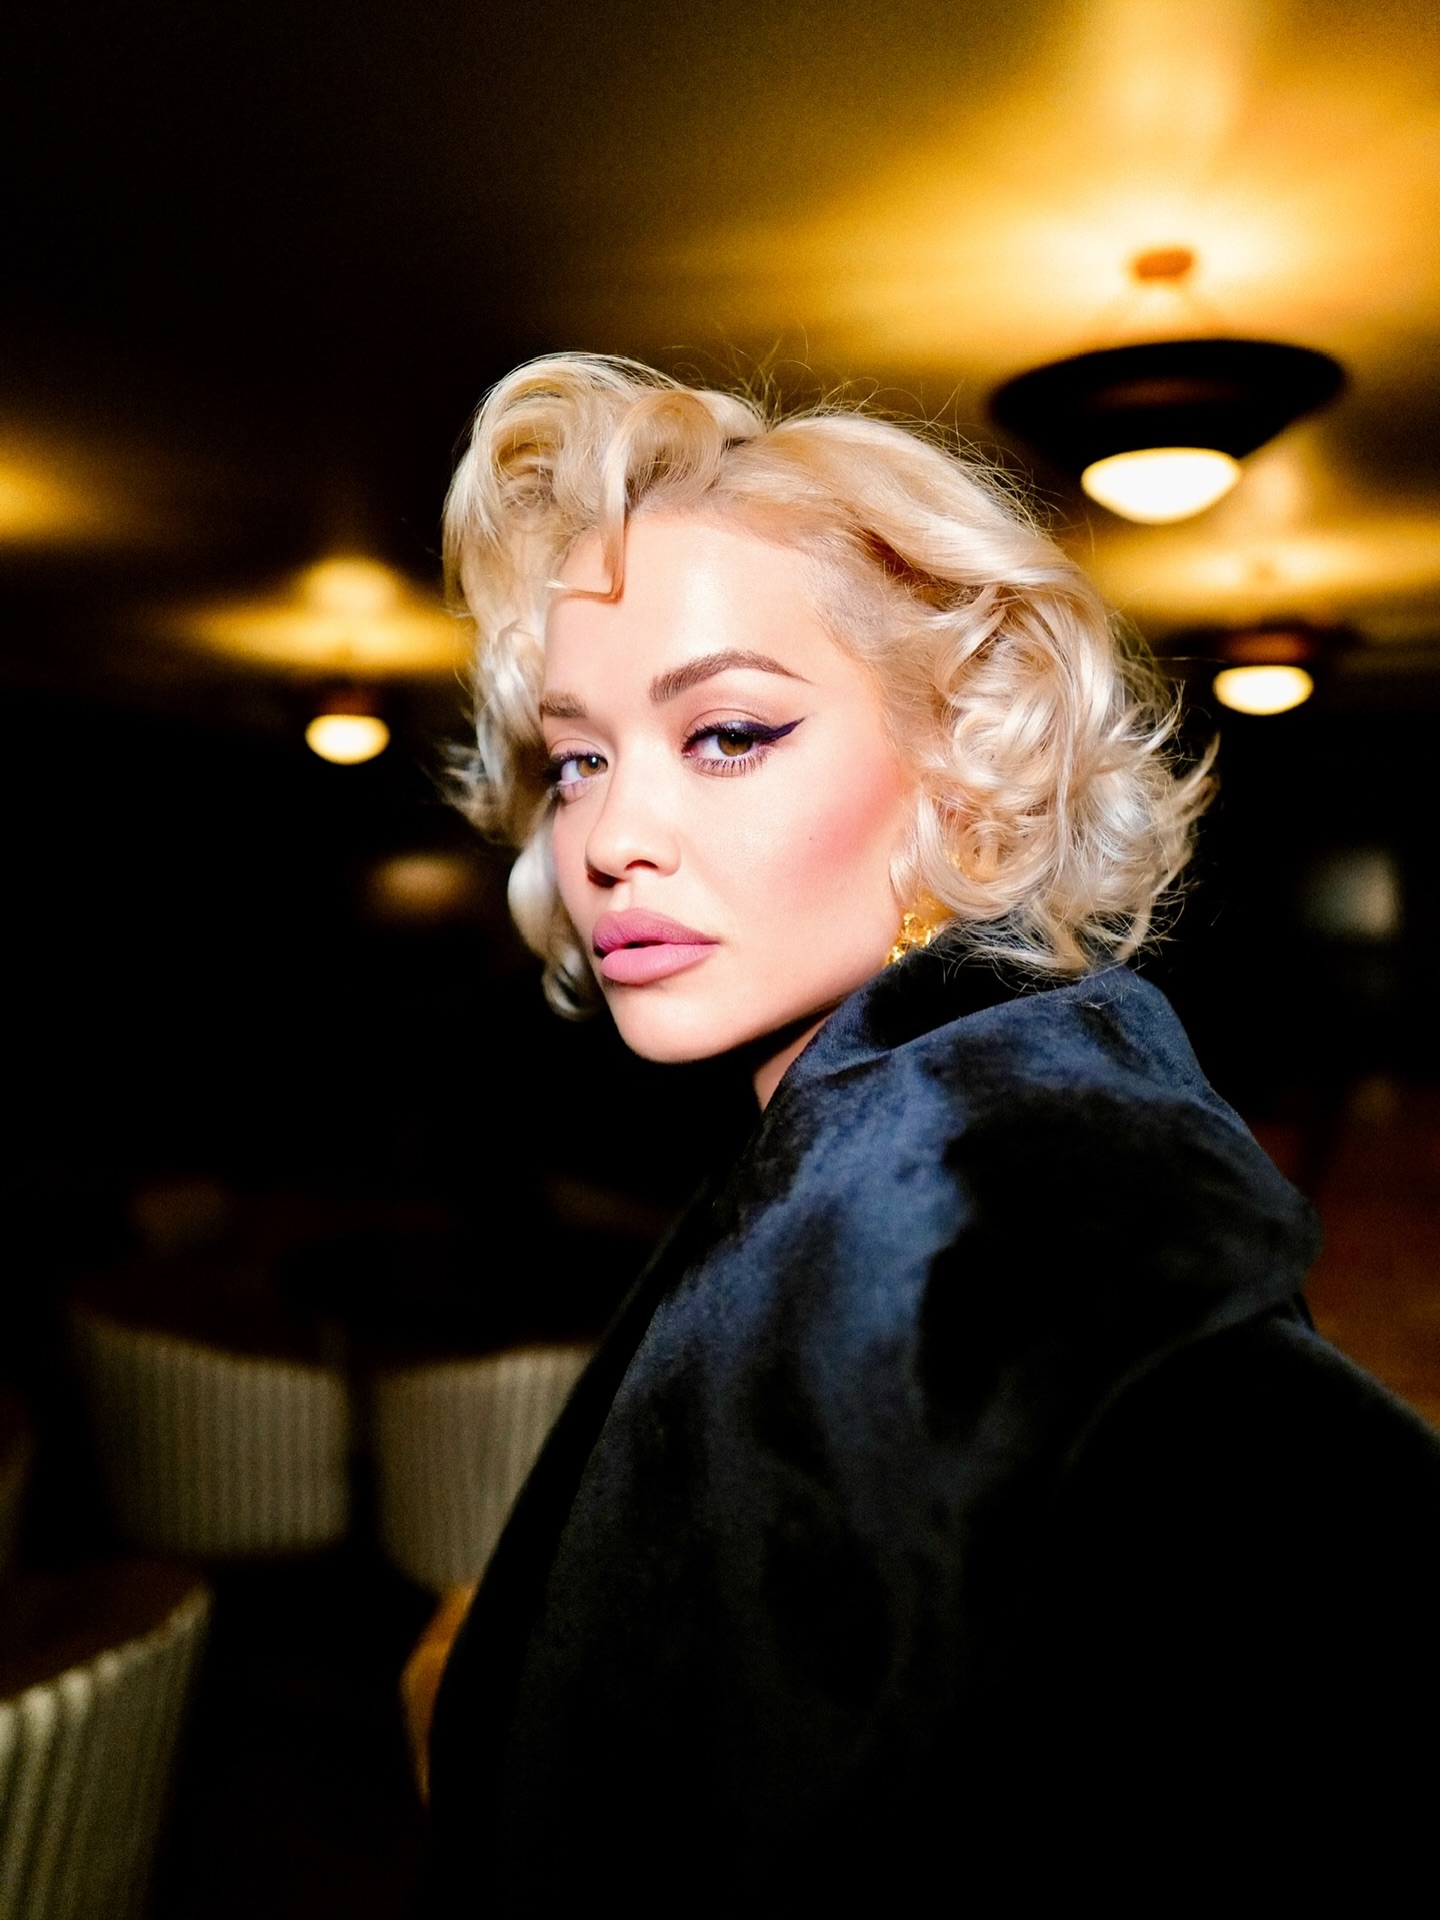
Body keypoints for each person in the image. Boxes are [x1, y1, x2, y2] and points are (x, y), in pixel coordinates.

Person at [421, 354, 1440, 1905]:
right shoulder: (857, 1146)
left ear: (960, 779)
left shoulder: (1009, 1185)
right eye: (581, 759)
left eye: (729, 734)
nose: (610, 838)